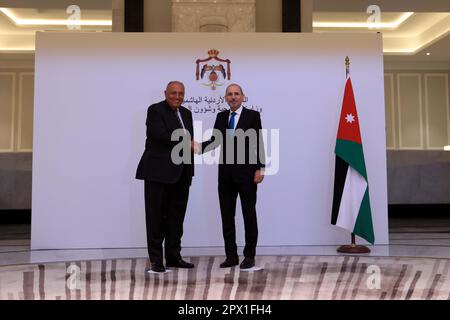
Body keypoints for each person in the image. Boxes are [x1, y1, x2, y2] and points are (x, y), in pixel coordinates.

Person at [194, 83, 265, 269]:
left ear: (243, 96)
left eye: (236, 94)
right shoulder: (221, 116)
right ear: (225, 98)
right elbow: (215, 141)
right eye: (230, 94)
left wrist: (261, 168)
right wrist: (199, 147)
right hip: (225, 174)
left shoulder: (252, 116)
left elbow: (259, 141)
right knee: (227, 216)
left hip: (247, 174)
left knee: (249, 215)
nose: (233, 97)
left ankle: (249, 256)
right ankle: (231, 256)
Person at [136, 81, 195, 273]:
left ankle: (173, 257)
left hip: (181, 175)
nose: (177, 97)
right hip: (158, 174)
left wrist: (190, 170)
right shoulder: (155, 110)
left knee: (176, 219)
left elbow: (188, 147)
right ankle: (156, 260)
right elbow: (159, 135)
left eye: (180, 93)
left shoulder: (186, 113)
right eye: (173, 93)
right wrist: (187, 140)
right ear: (165, 93)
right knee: (155, 219)